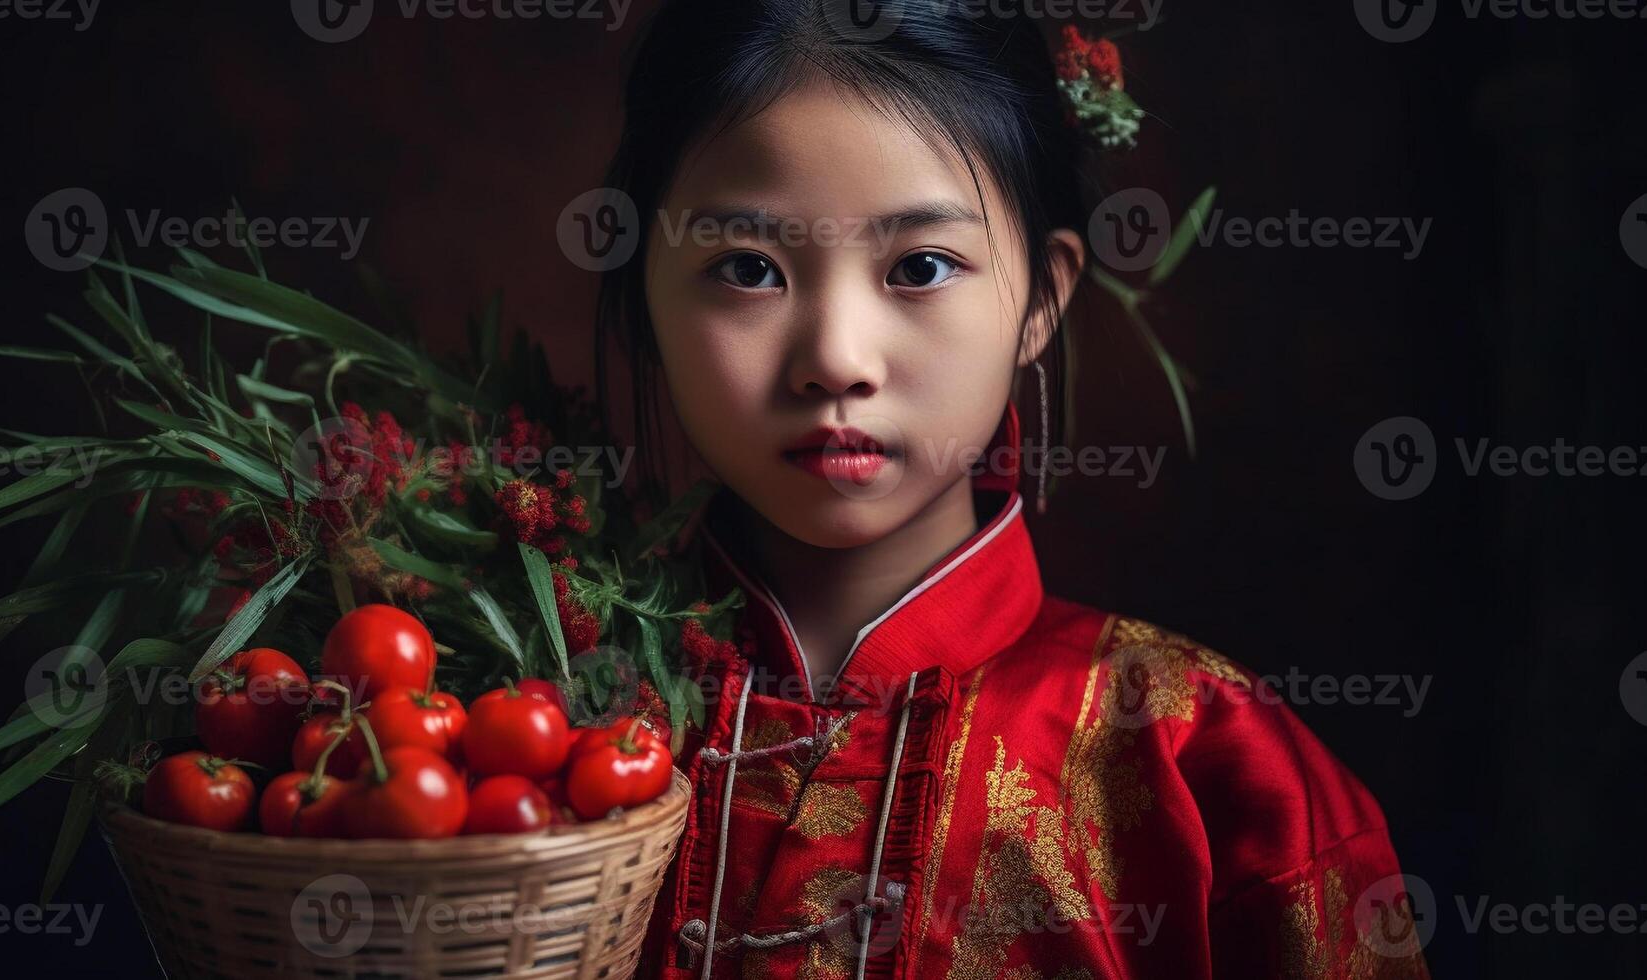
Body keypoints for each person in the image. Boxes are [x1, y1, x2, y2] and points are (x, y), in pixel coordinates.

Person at [592, 2, 1430, 976]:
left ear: (1039, 298)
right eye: (747, 268)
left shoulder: (1206, 766)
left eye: (920, 266)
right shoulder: (515, 713)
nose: (834, 357)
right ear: (641, 299)